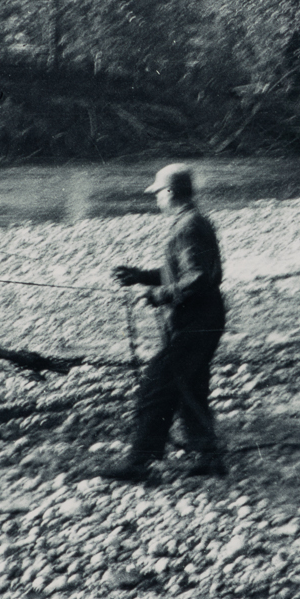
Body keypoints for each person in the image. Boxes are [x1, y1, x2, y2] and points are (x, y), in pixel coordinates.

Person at [101, 163, 228, 482]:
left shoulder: (188, 225)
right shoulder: (189, 221)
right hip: (200, 319)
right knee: (192, 388)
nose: (156, 198)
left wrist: (159, 295)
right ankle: (208, 457)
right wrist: (140, 277)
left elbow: (200, 278)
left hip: (195, 322)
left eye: (157, 193)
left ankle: (139, 463)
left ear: (170, 192)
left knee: (156, 387)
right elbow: (183, 273)